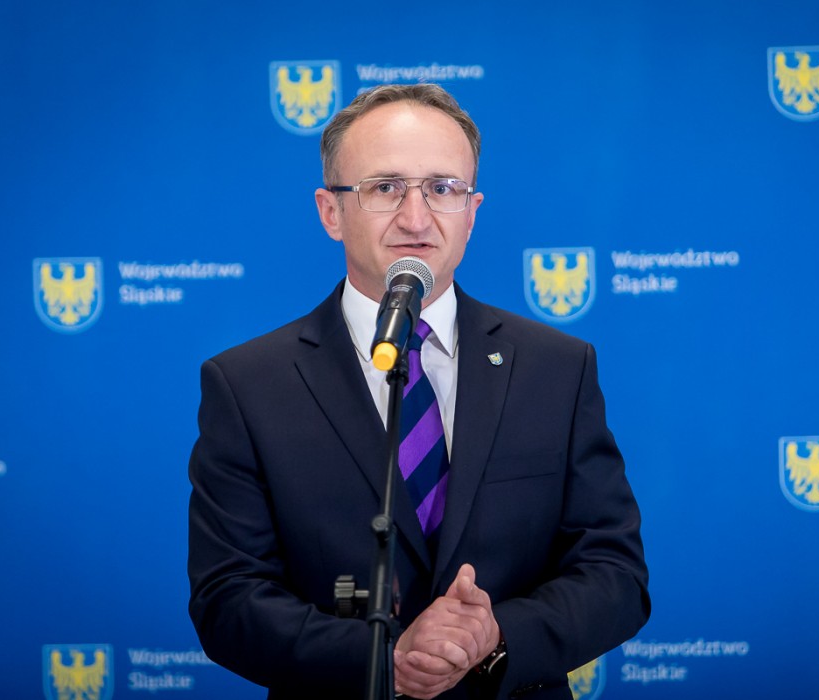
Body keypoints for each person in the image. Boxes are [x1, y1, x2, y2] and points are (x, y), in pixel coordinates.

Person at [188, 83, 650, 699]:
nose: (415, 218)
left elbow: (615, 574)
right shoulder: (248, 385)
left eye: (443, 188)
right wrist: (387, 659)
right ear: (330, 212)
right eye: (385, 188)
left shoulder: (557, 369)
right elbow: (227, 599)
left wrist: (494, 637)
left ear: (472, 212)